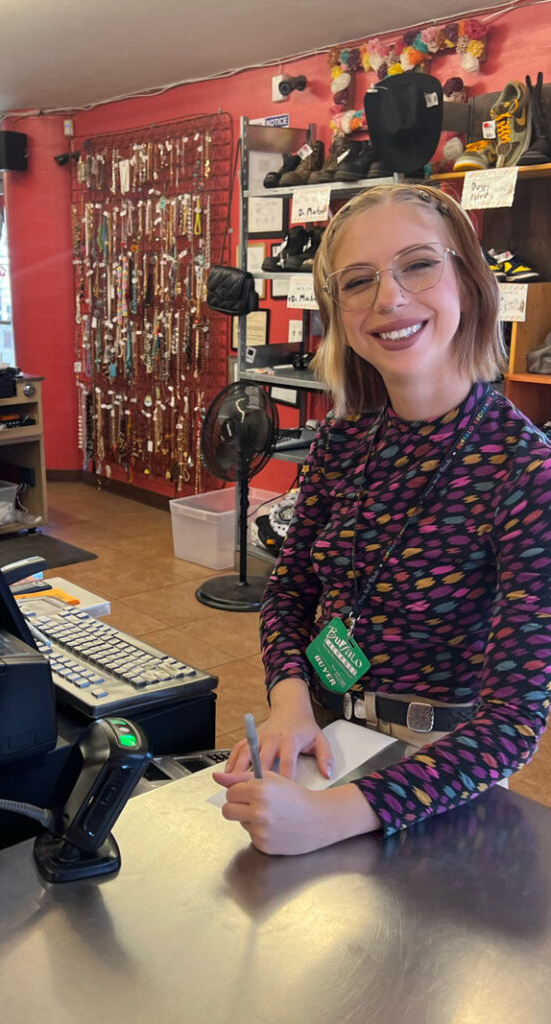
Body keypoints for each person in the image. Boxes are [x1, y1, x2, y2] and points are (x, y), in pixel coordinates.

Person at [213, 183, 551, 855]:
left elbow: (513, 723)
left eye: (418, 264)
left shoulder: (527, 471)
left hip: (440, 776)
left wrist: (333, 814)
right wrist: (291, 701)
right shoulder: (343, 440)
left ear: (468, 278)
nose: (389, 299)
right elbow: (291, 591)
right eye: (358, 281)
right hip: (327, 734)